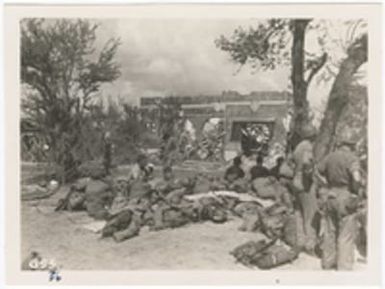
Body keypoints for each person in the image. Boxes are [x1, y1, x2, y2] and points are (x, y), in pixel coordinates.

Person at [315, 129, 362, 270]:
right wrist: (356, 191)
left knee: (330, 231)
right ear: (351, 145)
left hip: (331, 195)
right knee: (346, 234)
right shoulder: (352, 158)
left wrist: (325, 184)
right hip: (345, 195)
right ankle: (344, 266)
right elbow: (356, 177)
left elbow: (317, 171)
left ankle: (328, 262)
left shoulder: (330, 156)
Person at [291, 124, 318, 253]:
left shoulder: (298, 147)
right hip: (305, 183)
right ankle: (310, 245)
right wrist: (311, 175)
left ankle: (300, 241)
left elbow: (292, 163)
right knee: (310, 214)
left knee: (299, 213)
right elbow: (307, 163)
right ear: (312, 135)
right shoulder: (307, 146)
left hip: (296, 181)